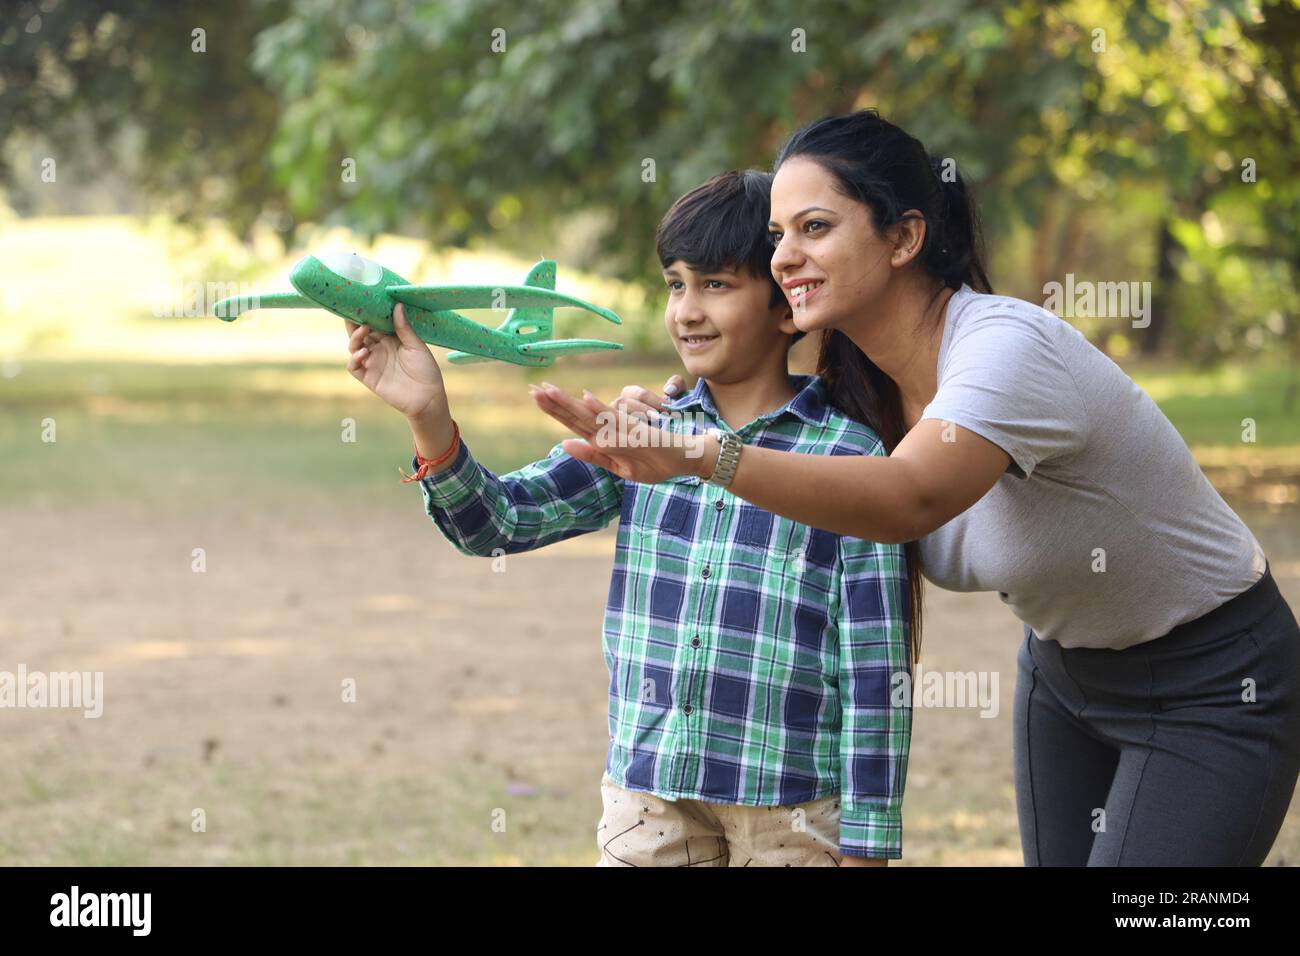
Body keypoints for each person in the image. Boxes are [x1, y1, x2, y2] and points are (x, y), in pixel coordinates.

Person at [530, 109, 1300, 867]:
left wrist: (703, 455)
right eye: (776, 238)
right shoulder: (859, 393)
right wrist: (672, 410)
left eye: (815, 228)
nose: (783, 258)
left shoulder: (1003, 350)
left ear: (904, 236)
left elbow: (910, 496)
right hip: (1065, 679)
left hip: (1214, 679)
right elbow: (784, 448)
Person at [343, 169, 913, 866]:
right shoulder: (636, 432)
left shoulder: (848, 456)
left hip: (794, 806)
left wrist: (868, 845)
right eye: (676, 284)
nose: (687, 311)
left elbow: (875, 671)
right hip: (649, 798)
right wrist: (429, 417)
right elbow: (497, 524)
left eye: (717, 285)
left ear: (786, 307)